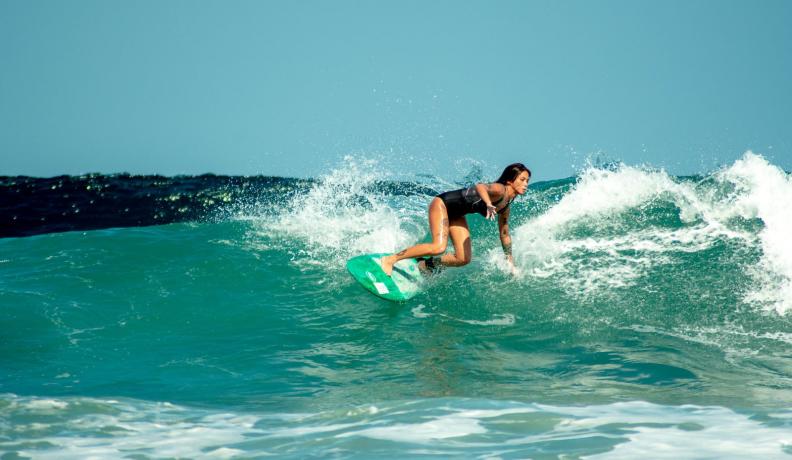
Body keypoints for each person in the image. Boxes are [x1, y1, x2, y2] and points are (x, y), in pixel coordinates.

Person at [380, 163, 531, 276]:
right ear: (510, 181)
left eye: (527, 181)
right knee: (438, 247)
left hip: (456, 215)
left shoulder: (506, 206)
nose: (526, 184)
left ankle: (425, 264)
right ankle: (389, 259)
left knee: (463, 258)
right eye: (522, 180)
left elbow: (504, 234)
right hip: (442, 204)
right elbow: (480, 187)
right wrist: (489, 203)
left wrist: (510, 261)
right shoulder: (500, 189)